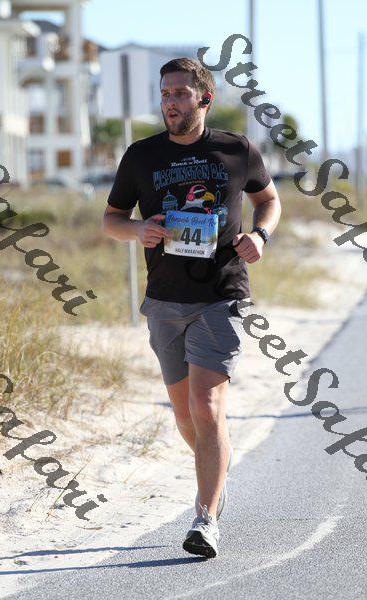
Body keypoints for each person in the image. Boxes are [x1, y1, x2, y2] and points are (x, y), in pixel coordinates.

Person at [102, 57, 281, 558]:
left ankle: (205, 519)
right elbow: (111, 219)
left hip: (221, 295)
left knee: (207, 407)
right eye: (165, 94)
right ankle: (217, 477)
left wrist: (260, 236)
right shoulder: (141, 155)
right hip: (164, 299)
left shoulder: (236, 149)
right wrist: (138, 229)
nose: (170, 102)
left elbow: (269, 200)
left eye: (180, 93)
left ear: (205, 98)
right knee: (186, 417)